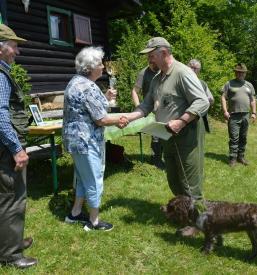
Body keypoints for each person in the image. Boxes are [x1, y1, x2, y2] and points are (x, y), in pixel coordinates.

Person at [124, 37, 210, 236]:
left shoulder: (182, 73)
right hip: (167, 135)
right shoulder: (157, 77)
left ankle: (198, 223)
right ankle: (183, 214)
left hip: (186, 134)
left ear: (164, 53)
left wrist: (181, 121)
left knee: (189, 181)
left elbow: (202, 101)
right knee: (174, 178)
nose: (149, 60)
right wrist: (129, 117)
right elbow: (146, 105)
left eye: (151, 55)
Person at [63, 46, 128, 231]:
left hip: (76, 141)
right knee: (94, 178)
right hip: (86, 141)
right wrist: (122, 119)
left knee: (84, 178)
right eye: (100, 63)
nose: (103, 66)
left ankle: (75, 213)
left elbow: (90, 110)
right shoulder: (87, 86)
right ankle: (94, 222)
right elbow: (101, 119)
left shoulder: (76, 81)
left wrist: (106, 99)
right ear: (91, 67)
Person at [0, 24, 37, 268]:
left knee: (5, 196)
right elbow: (1, 115)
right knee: (13, 197)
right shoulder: (1, 75)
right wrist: (16, 148)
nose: (17, 51)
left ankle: (9, 241)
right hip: (5, 149)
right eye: (13, 45)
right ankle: (10, 254)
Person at [221, 63, 256, 167]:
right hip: (233, 115)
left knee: (243, 137)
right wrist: (225, 111)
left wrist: (254, 113)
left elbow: (253, 100)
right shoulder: (229, 84)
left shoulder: (249, 85)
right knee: (234, 137)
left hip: (245, 115)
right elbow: (223, 97)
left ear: (245, 74)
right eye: (238, 72)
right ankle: (232, 158)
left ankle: (241, 157)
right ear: (235, 72)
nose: (240, 74)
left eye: (242, 73)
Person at [131, 62, 164, 169]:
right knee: (157, 135)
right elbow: (135, 91)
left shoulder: (164, 69)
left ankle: (165, 158)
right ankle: (156, 160)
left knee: (166, 134)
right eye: (150, 62)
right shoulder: (143, 73)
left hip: (166, 108)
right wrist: (138, 106)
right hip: (150, 109)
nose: (152, 64)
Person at [188, 59, 214, 132]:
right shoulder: (180, 80)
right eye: (191, 67)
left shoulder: (202, 84)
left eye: (195, 68)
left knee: (197, 142)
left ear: (199, 71)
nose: (192, 70)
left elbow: (211, 100)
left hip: (198, 118)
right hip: (182, 116)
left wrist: (208, 99)